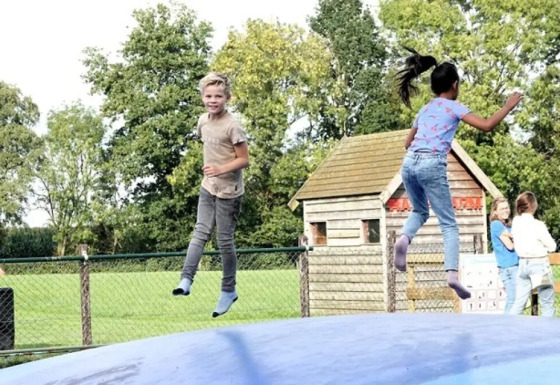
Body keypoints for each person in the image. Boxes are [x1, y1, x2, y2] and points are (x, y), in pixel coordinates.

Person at [393, 47, 522, 300]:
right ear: (455, 85)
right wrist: (507, 106)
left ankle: (403, 240)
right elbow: (486, 125)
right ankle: (452, 275)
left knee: (419, 211)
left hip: (409, 164)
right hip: (431, 163)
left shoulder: (426, 108)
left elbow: (407, 143)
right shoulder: (454, 107)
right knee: (449, 225)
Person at [172, 72, 249, 318]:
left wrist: (219, 169)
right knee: (200, 232)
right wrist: (210, 172)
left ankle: (228, 290)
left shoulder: (233, 126)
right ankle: (186, 279)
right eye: (208, 96)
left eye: (218, 96)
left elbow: (244, 160)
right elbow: (209, 145)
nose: (213, 100)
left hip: (229, 192)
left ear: (227, 97)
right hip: (208, 187)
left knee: (224, 241)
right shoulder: (202, 121)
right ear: (202, 97)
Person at [509, 192, 556, 317]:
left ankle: (508, 328)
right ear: (533, 205)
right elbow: (552, 246)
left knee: (519, 303)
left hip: (523, 264)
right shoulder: (538, 225)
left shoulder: (516, 222)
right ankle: (547, 332)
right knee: (547, 303)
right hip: (539, 265)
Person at [489, 197, 519, 313]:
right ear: (495, 211)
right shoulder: (496, 224)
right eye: (501, 209)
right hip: (508, 268)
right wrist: (520, 238)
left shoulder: (507, 226)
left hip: (515, 266)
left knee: (517, 300)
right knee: (513, 299)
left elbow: (514, 238)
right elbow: (510, 246)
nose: (505, 211)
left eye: (506, 208)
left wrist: (514, 236)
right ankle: (506, 326)